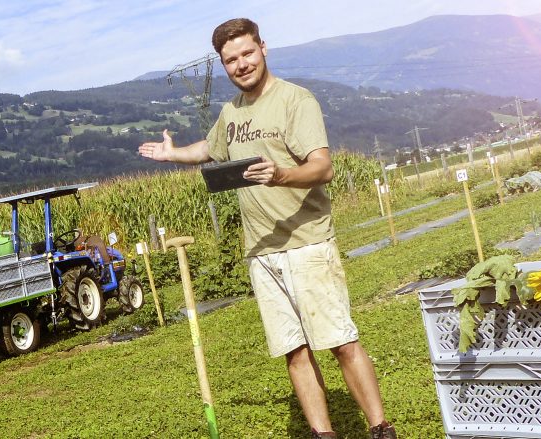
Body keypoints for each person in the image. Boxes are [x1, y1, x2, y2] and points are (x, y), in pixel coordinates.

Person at [138, 18, 396, 439]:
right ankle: (323, 433)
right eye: (230, 60)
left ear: (263, 49)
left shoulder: (296, 100)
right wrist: (174, 154)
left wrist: (280, 175)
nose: (241, 64)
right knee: (294, 350)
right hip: (261, 252)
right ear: (223, 66)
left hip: (307, 243)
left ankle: (380, 428)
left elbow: (323, 167)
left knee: (340, 342)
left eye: (246, 53)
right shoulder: (231, 112)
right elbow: (211, 147)